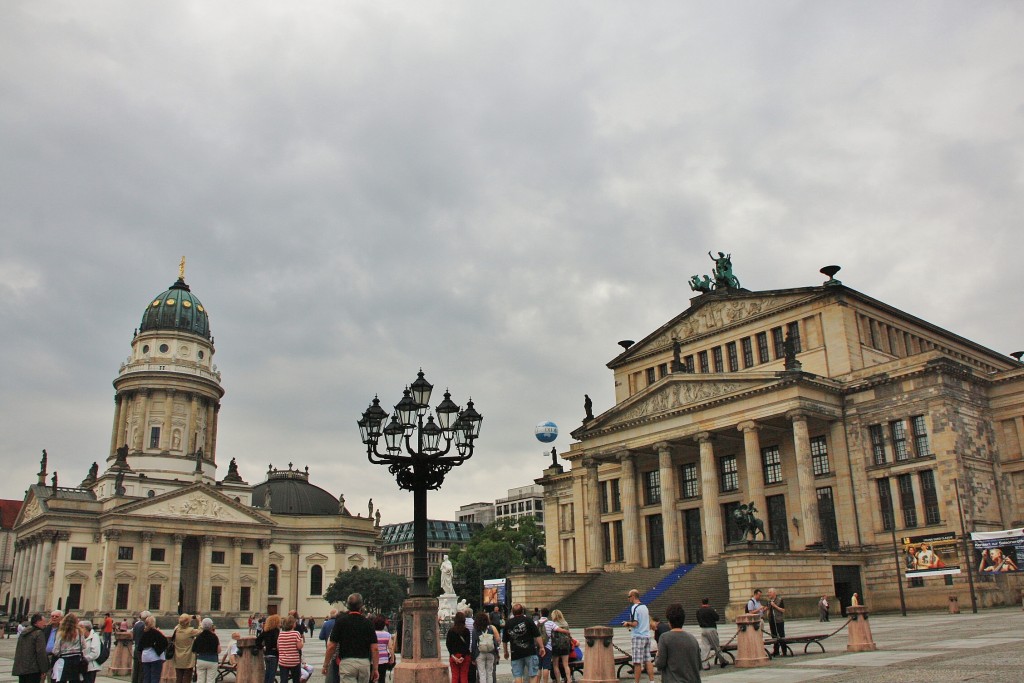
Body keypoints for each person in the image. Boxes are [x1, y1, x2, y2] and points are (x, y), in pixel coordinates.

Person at [323, 593, 378, 683]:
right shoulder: (368, 623)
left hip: (347, 663)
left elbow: (331, 646)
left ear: (348, 606)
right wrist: (375, 668)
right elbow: (375, 648)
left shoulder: (341, 622)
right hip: (364, 663)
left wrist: (325, 665)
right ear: (361, 606)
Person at [654, 603, 700, 683]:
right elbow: (698, 665)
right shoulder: (692, 639)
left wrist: (657, 655)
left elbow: (660, 664)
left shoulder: (665, 638)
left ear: (669, 621)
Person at [503, 603, 545, 683]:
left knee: (518, 675)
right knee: (533, 674)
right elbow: (537, 635)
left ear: (512, 612)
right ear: (522, 611)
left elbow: (504, 640)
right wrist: (542, 647)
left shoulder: (508, 623)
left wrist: (506, 652)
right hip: (530, 651)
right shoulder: (528, 620)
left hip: (515, 653)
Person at [623, 589, 655, 683]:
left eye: (629, 597)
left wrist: (627, 623)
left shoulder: (634, 608)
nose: (628, 599)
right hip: (646, 636)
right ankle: (652, 681)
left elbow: (635, 623)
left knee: (637, 663)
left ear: (633, 596)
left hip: (638, 636)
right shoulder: (645, 607)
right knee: (648, 660)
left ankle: (636, 682)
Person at [12, 613, 49, 683]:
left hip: (22, 668)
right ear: (37, 622)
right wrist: (44, 669)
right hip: (33, 669)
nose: (45, 624)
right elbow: (41, 653)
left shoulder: (24, 632)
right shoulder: (38, 633)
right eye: (43, 621)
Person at [51, 613, 84, 683]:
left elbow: (55, 649)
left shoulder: (61, 633)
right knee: (75, 680)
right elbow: (84, 645)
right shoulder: (80, 632)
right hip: (76, 659)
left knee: (62, 679)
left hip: (64, 659)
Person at [170, 614, 202, 683]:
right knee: (187, 677)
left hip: (178, 657)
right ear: (188, 622)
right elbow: (201, 630)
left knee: (179, 677)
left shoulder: (176, 630)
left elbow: (179, 624)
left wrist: (186, 618)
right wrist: (199, 621)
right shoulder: (190, 631)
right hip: (188, 658)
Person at [694, 598, 725, 670]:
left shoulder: (698, 611)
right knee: (716, 646)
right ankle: (722, 661)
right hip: (711, 629)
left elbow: (698, 619)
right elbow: (717, 618)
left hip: (703, 630)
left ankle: (704, 664)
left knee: (704, 647)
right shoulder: (711, 610)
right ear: (708, 602)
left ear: (701, 602)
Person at [138, 616, 169, 683]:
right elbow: (165, 642)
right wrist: (159, 650)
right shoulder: (156, 632)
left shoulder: (144, 633)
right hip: (155, 657)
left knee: (146, 677)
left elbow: (139, 646)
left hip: (145, 657)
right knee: (155, 677)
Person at [192, 619, 222, 683]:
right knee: (211, 680)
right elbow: (219, 650)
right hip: (212, 660)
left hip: (201, 659)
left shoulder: (199, 637)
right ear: (211, 626)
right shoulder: (214, 637)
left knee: (200, 679)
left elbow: (194, 650)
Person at [277, 615, 305, 683]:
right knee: (296, 680)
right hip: (294, 661)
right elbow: (299, 647)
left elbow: (278, 647)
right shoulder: (296, 633)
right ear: (292, 624)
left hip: (283, 661)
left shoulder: (280, 634)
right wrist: (302, 642)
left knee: (283, 680)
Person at [474, 611, 500, 683]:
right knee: (489, 673)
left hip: (480, 653)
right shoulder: (491, 629)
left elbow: (474, 643)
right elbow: (494, 642)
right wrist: (497, 653)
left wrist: (473, 656)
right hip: (490, 652)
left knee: (482, 673)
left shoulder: (476, 629)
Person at [447, 612, 472, 683]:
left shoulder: (451, 631)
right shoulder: (466, 631)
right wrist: (463, 657)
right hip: (464, 657)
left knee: (455, 677)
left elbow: (448, 644)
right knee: (464, 676)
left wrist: (453, 656)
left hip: (454, 656)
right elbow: (467, 645)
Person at [547, 610, 572, 683]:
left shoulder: (553, 624)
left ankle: (558, 680)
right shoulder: (565, 623)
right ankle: (569, 680)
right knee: (566, 664)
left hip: (555, 646)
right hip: (565, 645)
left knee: (555, 665)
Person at [256, 614, 281, 683]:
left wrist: (262, 647)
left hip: (267, 654)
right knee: (272, 674)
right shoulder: (276, 631)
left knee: (267, 673)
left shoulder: (266, 631)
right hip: (274, 654)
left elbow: (258, 640)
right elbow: (276, 642)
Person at [131, 611, 152, 683]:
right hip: (142, 650)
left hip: (136, 648)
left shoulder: (136, 625)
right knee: (142, 671)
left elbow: (133, 637)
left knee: (136, 669)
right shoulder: (145, 626)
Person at [320, 610, 340, 683]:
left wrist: (325, 665)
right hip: (342, 655)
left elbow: (321, 636)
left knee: (332, 676)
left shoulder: (326, 624)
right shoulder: (341, 624)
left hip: (330, 651)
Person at [765, 589, 786, 657]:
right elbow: (768, 609)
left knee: (781, 635)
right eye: (768, 592)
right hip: (772, 620)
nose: (768, 594)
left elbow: (783, 610)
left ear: (774, 593)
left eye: (770, 592)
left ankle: (784, 651)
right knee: (774, 635)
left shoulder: (780, 600)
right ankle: (776, 651)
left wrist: (775, 606)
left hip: (779, 620)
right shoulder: (769, 601)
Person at [373, 616, 394, 683]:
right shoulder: (387, 635)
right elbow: (390, 647)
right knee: (382, 678)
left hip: (373, 659)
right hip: (384, 659)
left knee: (372, 678)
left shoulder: (372, 634)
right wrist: (392, 658)